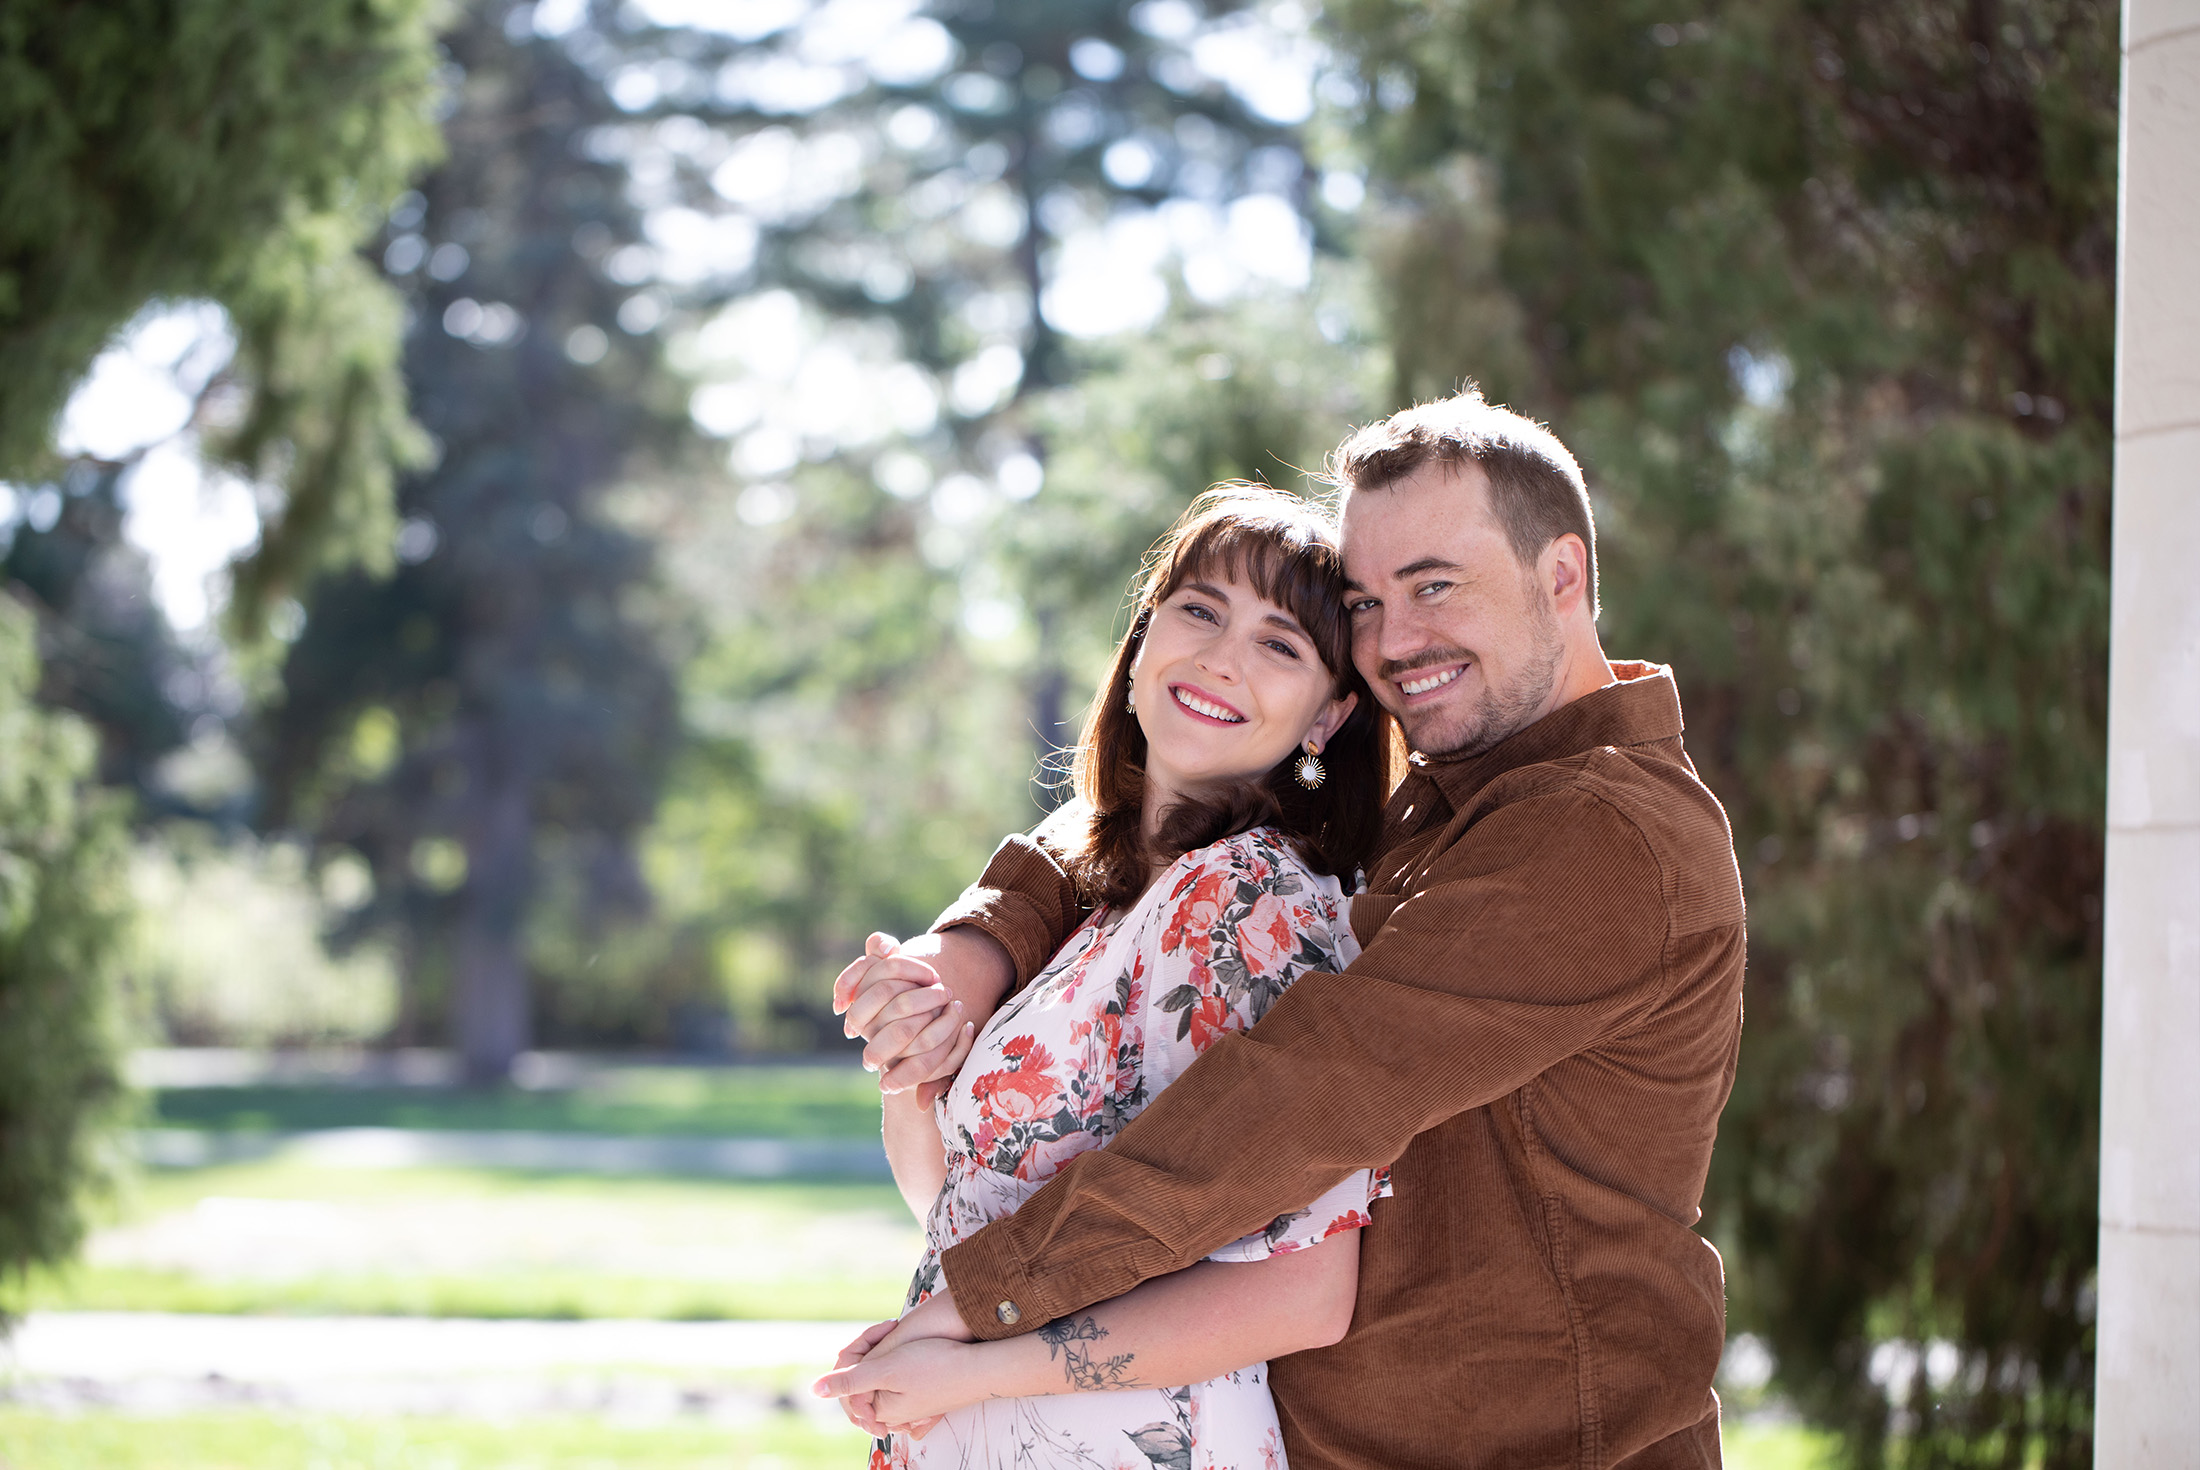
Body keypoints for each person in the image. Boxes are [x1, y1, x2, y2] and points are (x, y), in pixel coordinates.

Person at [828, 388, 1748, 1469]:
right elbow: (1148, 849)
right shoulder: (1455, 803)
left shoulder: (1593, 829)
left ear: (1561, 577)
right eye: (1364, 603)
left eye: (1434, 587)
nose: (1394, 641)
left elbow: (1311, 1086)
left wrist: (983, 1303)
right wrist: (975, 950)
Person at [823, 487, 1405, 1468]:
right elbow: (967, 1214)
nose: (1221, 655)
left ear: (1329, 715)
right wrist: (909, 1068)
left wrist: (972, 1371)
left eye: (1279, 644)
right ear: (1143, 639)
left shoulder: (1248, 904)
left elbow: (1304, 1292)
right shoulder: (1098, 906)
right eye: (1200, 610)